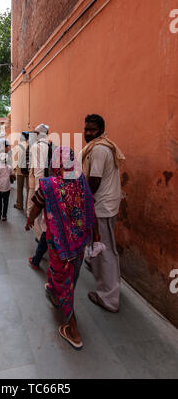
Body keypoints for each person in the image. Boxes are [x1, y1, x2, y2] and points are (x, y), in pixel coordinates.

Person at [26, 147, 95, 349]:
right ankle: (57, 293)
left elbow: (37, 205)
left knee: (65, 284)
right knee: (71, 278)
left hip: (59, 247)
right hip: (79, 243)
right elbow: (91, 206)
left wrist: (29, 220)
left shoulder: (50, 185)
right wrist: (94, 234)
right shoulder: (81, 183)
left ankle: (73, 330)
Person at [82, 114, 125, 313]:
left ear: (100, 130)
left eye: (92, 129)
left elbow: (95, 180)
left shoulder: (98, 149)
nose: (88, 133)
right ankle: (100, 272)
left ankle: (109, 298)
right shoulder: (104, 145)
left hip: (102, 207)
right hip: (107, 205)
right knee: (101, 248)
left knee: (105, 250)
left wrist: (83, 200)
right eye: (86, 129)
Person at [27, 123, 52, 269]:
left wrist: (37, 188)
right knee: (46, 217)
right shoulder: (51, 146)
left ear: (38, 134)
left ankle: (39, 238)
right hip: (50, 184)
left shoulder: (36, 147)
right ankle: (44, 240)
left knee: (37, 216)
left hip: (39, 184)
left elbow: (37, 170)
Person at [0, 152, 15, 221]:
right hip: (6, 187)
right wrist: (13, 174)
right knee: (6, 201)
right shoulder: (9, 167)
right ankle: (4, 215)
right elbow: (13, 176)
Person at [13, 132, 29, 211]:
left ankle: (19, 204)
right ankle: (28, 205)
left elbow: (15, 158)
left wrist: (14, 169)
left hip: (20, 170)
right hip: (28, 169)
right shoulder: (30, 145)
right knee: (29, 189)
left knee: (19, 188)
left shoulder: (18, 146)